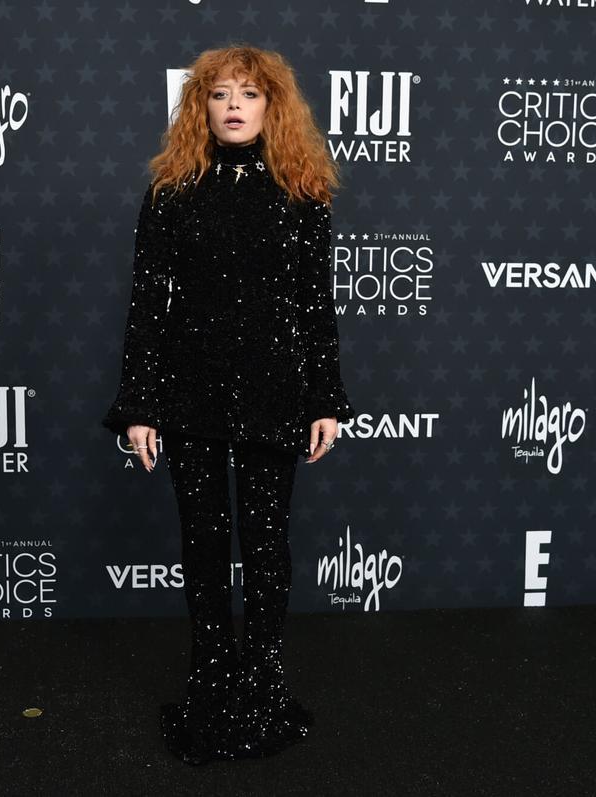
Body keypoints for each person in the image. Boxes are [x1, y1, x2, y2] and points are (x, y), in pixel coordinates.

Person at [101, 45, 355, 765]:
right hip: (190, 393)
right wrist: (140, 406)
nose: (234, 105)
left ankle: (266, 685)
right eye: (219, 94)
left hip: (277, 392)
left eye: (248, 93)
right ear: (200, 107)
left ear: (273, 106)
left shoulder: (303, 192)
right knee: (205, 550)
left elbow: (315, 305)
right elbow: (148, 306)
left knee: (269, 549)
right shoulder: (172, 191)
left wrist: (325, 397)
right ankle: (210, 685)